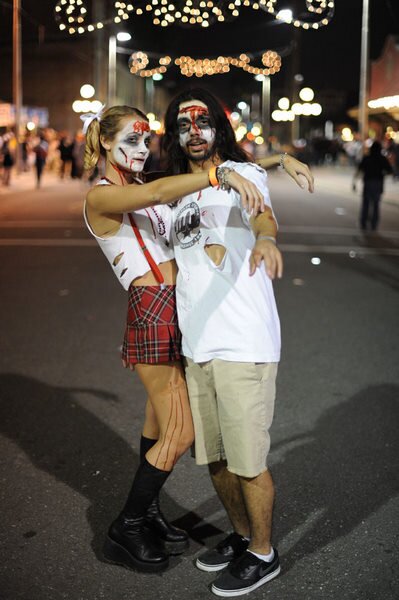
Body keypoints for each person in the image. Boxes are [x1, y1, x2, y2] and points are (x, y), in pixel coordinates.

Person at [83, 104, 276, 574]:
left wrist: (278, 160)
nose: (142, 148)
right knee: (181, 430)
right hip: (151, 309)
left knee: (157, 423)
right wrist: (216, 178)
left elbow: (190, 177)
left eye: (147, 140)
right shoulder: (101, 196)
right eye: (131, 139)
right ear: (106, 142)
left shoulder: (138, 189)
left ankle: (148, 514)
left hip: (180, 309)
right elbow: (169, 186)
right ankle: (126, 526)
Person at [162, 88, 313, 597]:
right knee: (218, 460)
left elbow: (260, 211)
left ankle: (264, 554)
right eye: (184, 125)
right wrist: (280, 155)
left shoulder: (243, 177)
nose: (195, 133)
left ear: (218, 128)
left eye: (204, 123)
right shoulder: (179, 190)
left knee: (248, 462)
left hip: (243, 342)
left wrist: (267, 237)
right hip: (198, 343)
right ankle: (243, 536)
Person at [353, 141, 393, 231]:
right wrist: (382, 174)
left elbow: (359, 170)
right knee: (376, 205)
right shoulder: (382, 158)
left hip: (368, 182)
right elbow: (390, 171)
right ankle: (374, 224)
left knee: (366, 203)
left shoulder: (367, 158)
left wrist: (354, 182)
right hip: (378, 183)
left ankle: (363, 223)